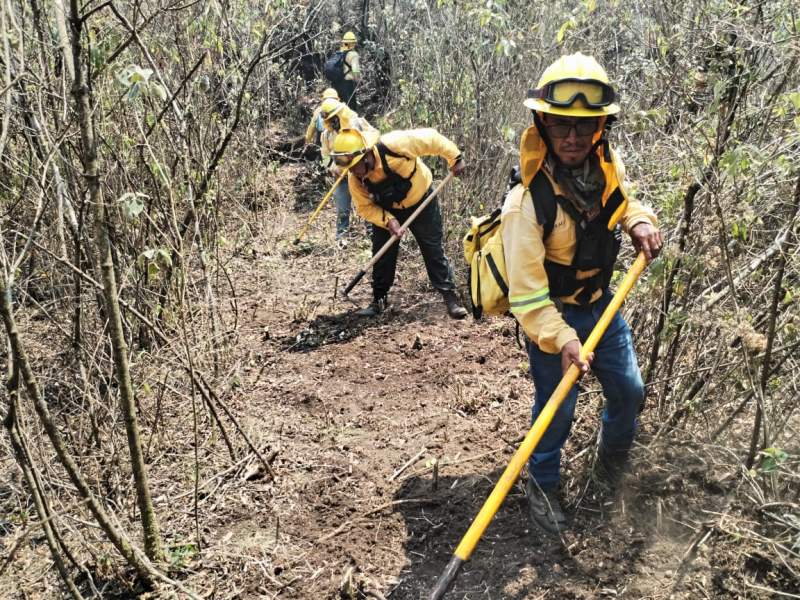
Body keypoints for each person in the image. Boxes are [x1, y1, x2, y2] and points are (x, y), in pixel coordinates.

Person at [501, 53, 662, 534]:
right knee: (557, 406)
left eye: (584, 125)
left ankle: (610, 469)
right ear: (542, 124)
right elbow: (527, 298)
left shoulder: (607, 163)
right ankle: (543, 481)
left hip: (602, 306)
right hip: (554, 319)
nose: (572, 137)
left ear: (601, 129)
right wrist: (563, 340)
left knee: (629, 392)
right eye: (561, 124)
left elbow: (624, 198)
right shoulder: (525, 203)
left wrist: (639, 220)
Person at [330, 128, 468, 319]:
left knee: (432, 249)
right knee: (382, 252)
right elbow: (365, 208)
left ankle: (450, 298)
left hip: (422, 200)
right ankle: (378, 300)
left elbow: (432, 139)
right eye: (350, 168)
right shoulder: (356, 180)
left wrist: (455, 158)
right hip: (388, 210)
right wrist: (388, 220)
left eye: (355, 166)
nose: (353, 171)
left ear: (367, 155)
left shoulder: (394, 145)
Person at [318, 99, 376, 244]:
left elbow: (374, 137)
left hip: (362, 173)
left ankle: (372, 233)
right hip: (341, 177)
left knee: (368, 202)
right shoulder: (326, 135)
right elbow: (325, 155)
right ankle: (341, 237)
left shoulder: (358, 124)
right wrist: (333, 166)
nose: (332, 122)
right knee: (342, 207)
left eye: (334, 118)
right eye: (329, 119)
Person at [336, 31, 360, 109]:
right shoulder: (353, 55)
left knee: (340, 107)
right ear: (352, 43)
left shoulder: (339, 53)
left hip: (337, 83)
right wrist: (357, 81)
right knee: (350, 107)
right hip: (348, 84)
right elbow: (355, 71)